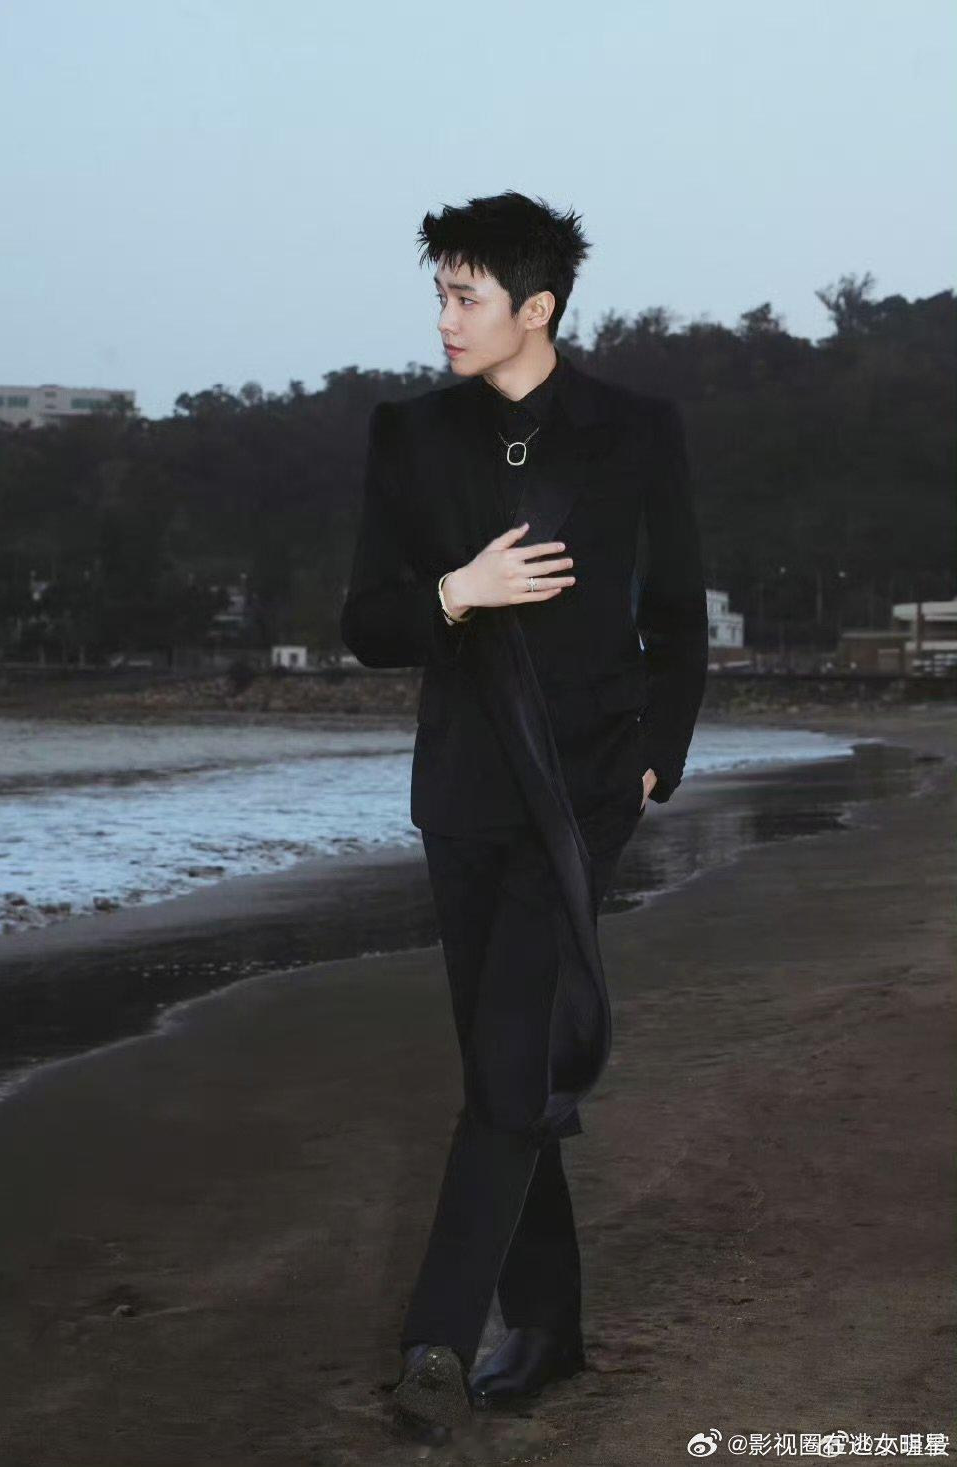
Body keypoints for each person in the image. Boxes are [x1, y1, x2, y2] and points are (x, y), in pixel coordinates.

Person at [338, 190, 708, 1434]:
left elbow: (680, 618)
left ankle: (437, 1345)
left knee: (508, 1055)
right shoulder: (409, 434)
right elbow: (367, 622)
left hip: (587, 786)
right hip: (461, 787)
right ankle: (549, 1330)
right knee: (506, 1064)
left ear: (535, 308)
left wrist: (657, 759)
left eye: (466, 296)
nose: (444, 317)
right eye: (439, 293)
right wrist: (458, 590)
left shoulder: (635, 431)